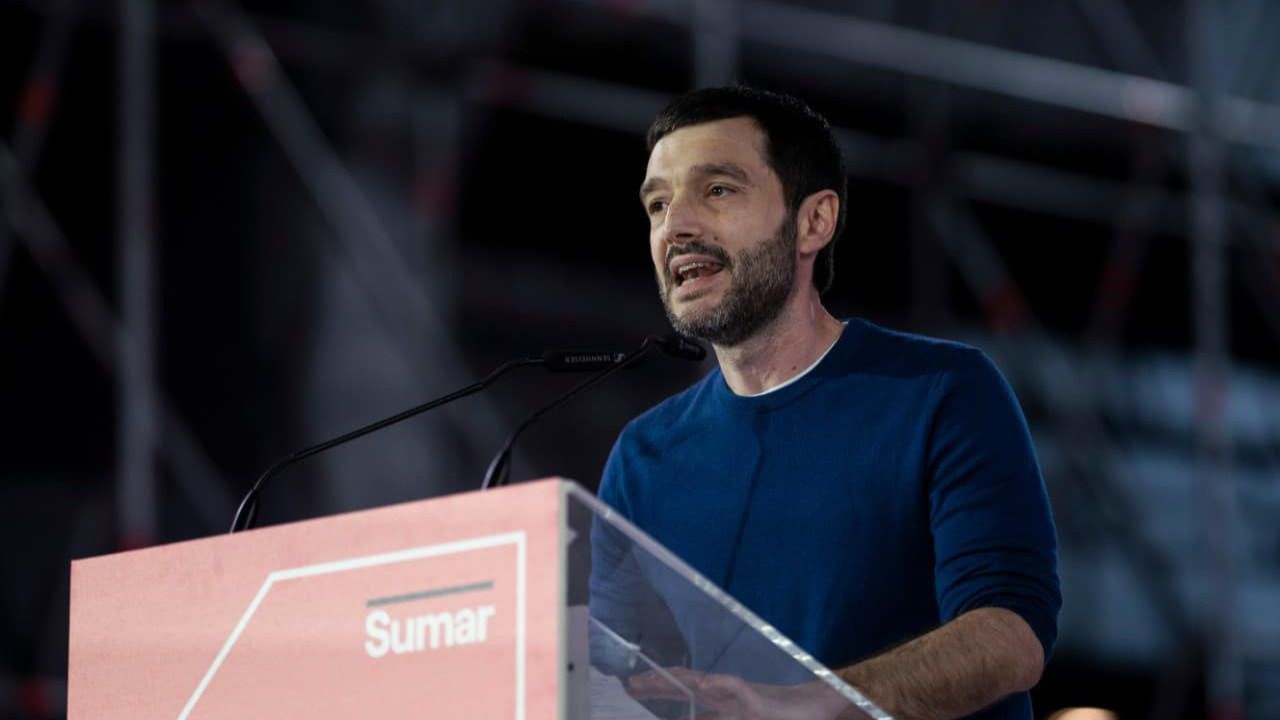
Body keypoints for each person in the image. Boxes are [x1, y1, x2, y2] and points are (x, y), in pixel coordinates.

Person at [591, 86, 1061, 720]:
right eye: (658, 204)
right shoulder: (643, 457)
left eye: (718, 190)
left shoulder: (941, 392)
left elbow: (1011, 637)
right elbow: (614, 681)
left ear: (814, 221)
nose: (676, 227)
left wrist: (806, 706)